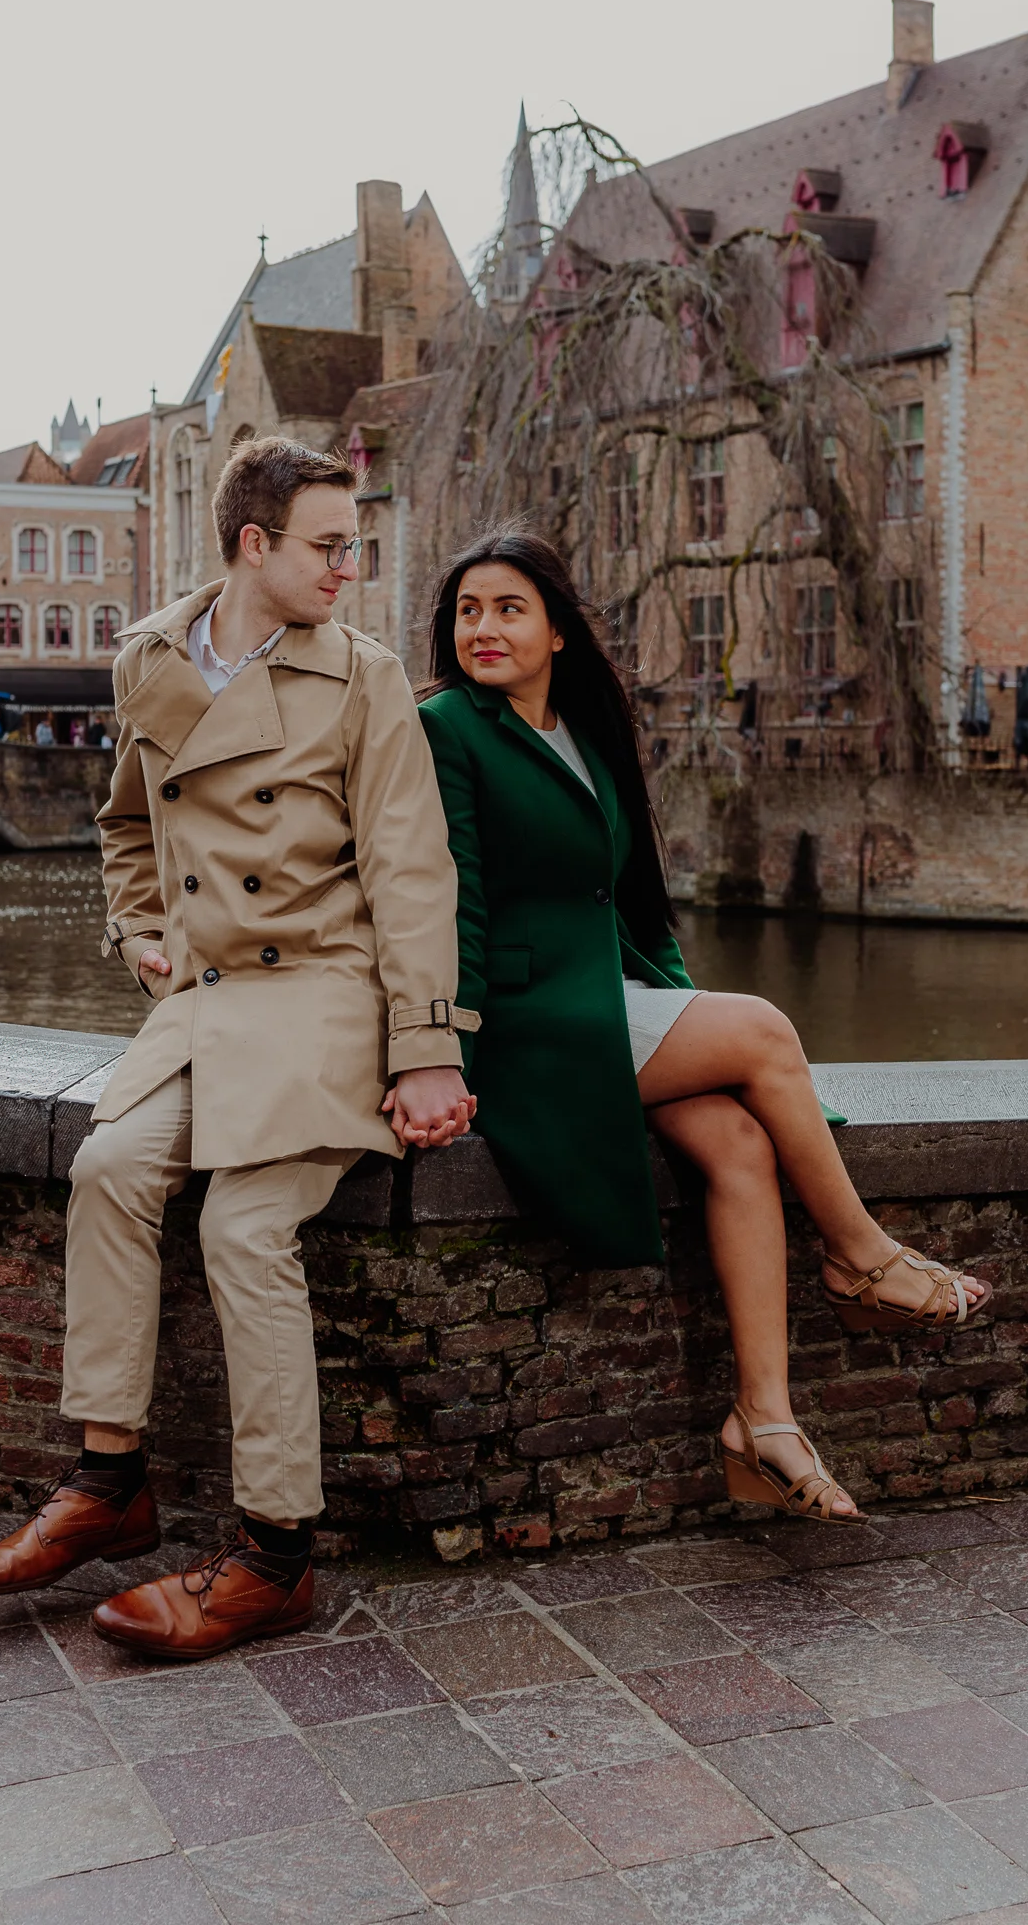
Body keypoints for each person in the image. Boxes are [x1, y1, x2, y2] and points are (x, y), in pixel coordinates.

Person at [0, 437, 475, 1650]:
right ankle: (108, 1483)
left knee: (244, 1226)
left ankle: (277, 1550)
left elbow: (412, 872)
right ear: (254, 545)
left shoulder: (365, 679)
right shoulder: (151, 662)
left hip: (326, 991)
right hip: (204, 999)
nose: (352, 567)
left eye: (355, 546)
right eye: (330, 546)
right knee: (108, 1172)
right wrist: (139, 931)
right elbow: (125, 824)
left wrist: (427, 1046)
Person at [418, 531, 989, 1524]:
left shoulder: (587, 730)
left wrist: (680, 1002)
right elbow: (450, 902)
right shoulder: (447, 728)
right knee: (766, 1031)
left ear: (557, 629)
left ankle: (762, 1424)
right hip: (527, 1022)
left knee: (736, 1141)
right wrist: (449, 1058)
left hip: (604, 997)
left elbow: (636, 908)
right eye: (468, 610)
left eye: (508, 607)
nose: (484, 628)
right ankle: (860, 1257)